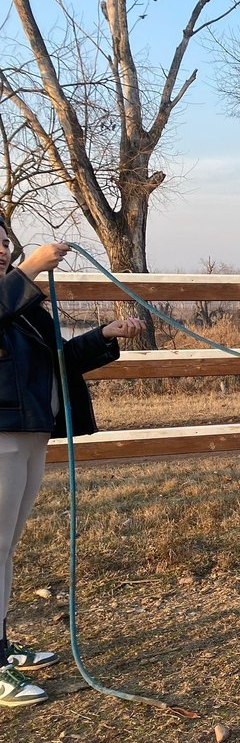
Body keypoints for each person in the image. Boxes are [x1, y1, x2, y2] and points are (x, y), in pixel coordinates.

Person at [0, 216, 145, 707]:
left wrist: (107, 332)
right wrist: (31, 269)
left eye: (4, 243)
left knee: (6, 543)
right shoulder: (13, 296)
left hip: (29, 431)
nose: (1, 249)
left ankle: (0, 647)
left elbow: (55, 358)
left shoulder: (21, 307)